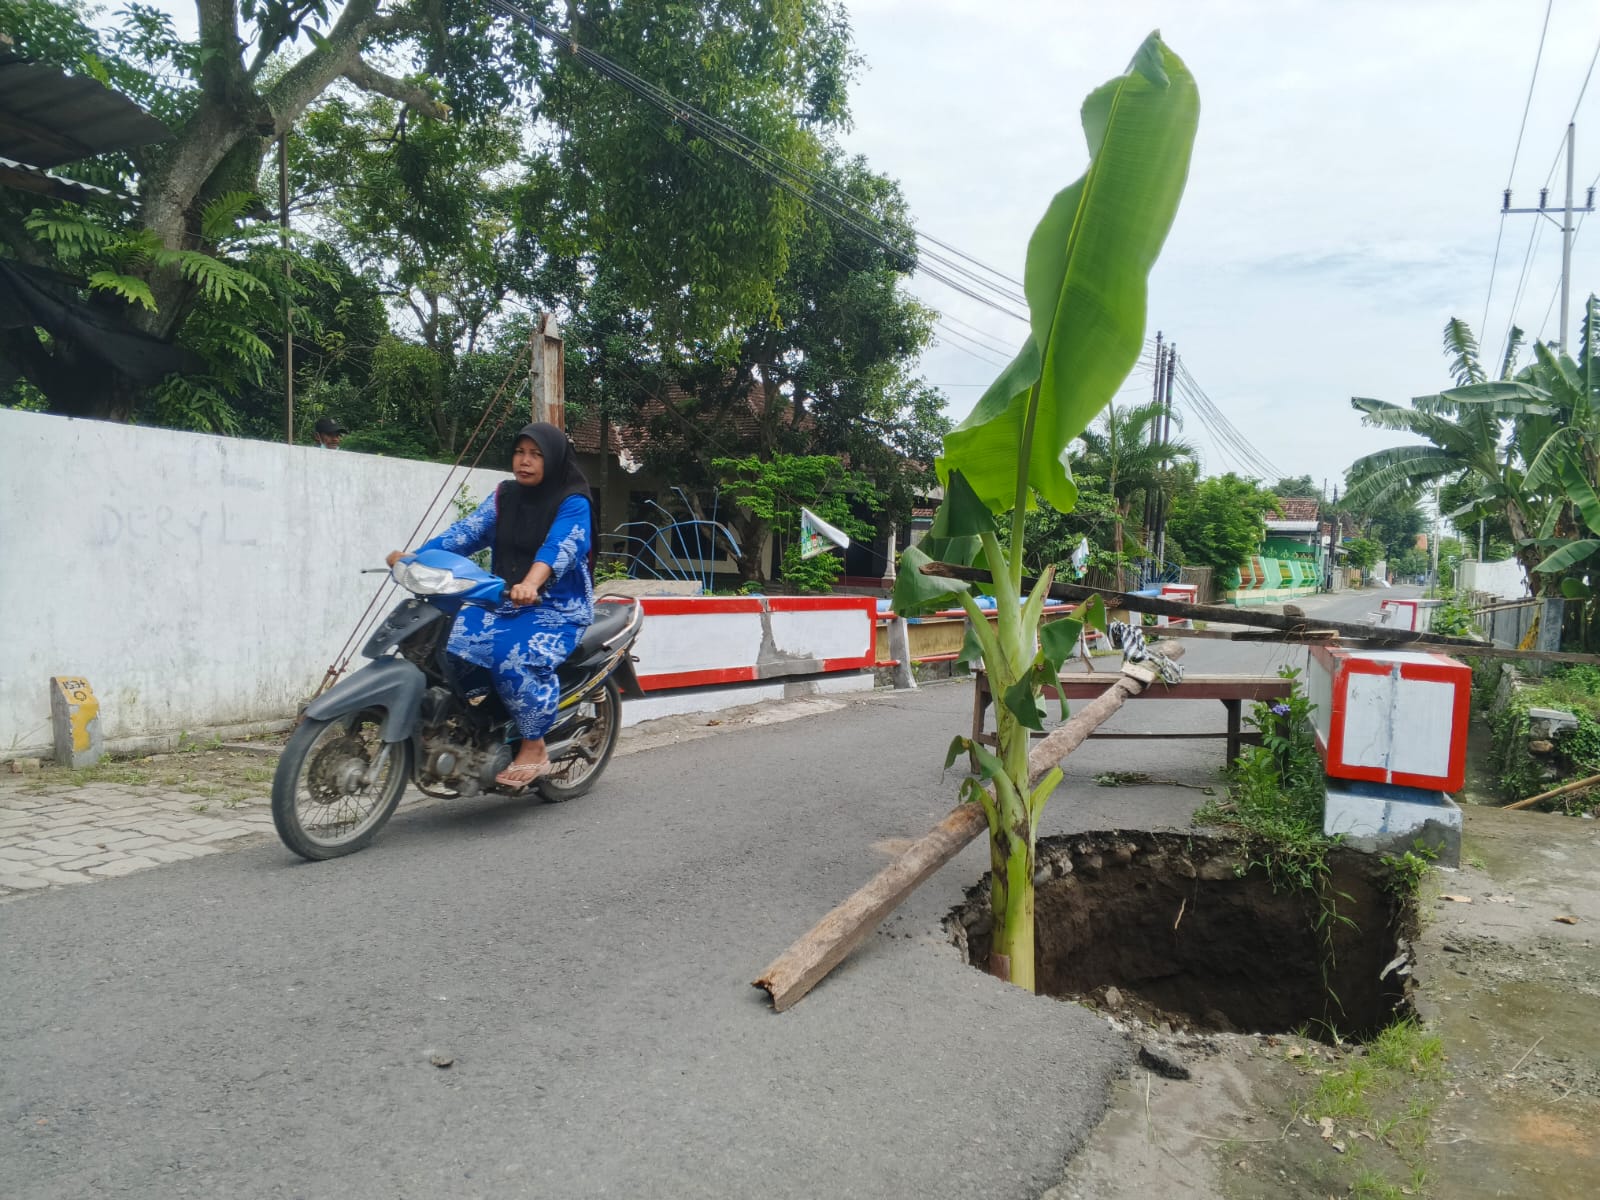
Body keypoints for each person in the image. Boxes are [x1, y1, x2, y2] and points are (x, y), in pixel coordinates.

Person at [386, 422, 594, 790]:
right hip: (503, 600)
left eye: (536, 454)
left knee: (513, 657)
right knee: (445, 647)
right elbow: (465, 534)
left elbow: (559, 547)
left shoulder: (572, 501)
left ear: (554, 460)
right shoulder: (505, 495)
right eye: (519, 452)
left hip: (556, 607)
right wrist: (416, 558)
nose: (524, 461)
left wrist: (531, 583)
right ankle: (476, 724)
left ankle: (534, 745)